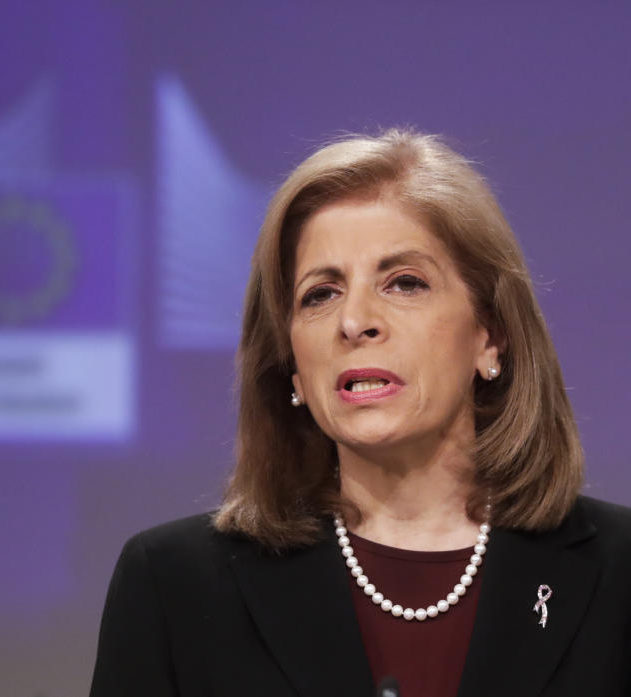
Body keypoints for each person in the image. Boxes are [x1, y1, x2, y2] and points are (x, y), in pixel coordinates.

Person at [88, 130, 631, 697]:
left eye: (404, 283)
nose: (355, 321)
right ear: (293, 368)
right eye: (320, 294)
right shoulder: (174, 586)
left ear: (489, 337)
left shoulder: (619, 575)